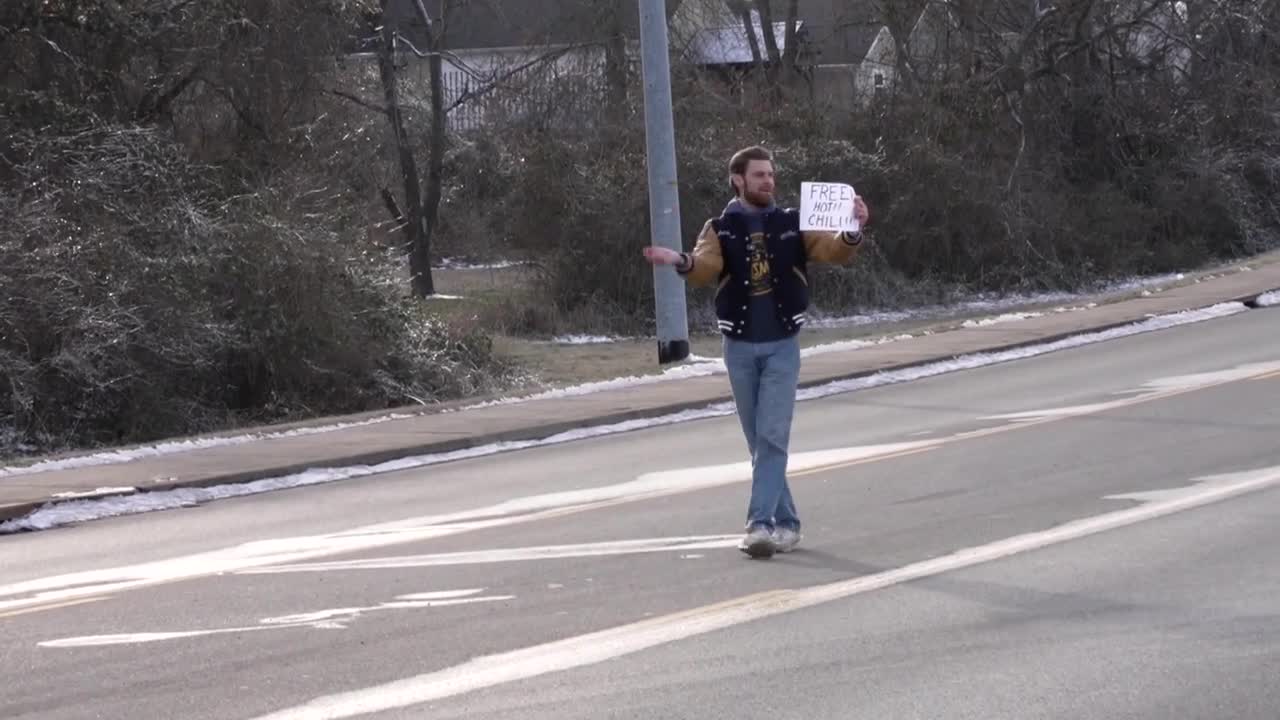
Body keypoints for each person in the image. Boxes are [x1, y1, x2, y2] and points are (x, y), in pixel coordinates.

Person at [643, 145, 870, 558]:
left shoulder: (793, 222)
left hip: (783, 346)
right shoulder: (721, 228)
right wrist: (681, 261)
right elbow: (706, 266)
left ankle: (759, 525)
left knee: (771, 437)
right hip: (739, 349)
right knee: (759, 443)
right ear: (738, 180)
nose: (769, 181)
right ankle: (789, 524)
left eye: (771, 174)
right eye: (760, 175)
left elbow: (832, 248)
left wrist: (852, 231)